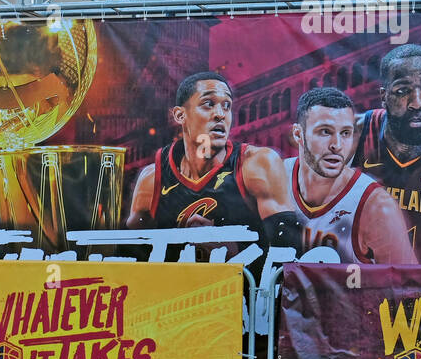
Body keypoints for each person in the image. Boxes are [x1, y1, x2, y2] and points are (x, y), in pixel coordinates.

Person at [127, 71, 301, 274]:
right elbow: (132, 257)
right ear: (180, 115)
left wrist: (235, 252)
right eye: (208, 104)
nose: (220, 114)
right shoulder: (152, 178)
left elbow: (288, 254)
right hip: (176, 299)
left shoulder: (258, 163)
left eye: (226, 105)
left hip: (241, 300)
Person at [352, 44, 421, 265]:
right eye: (403, 91)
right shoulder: (357, 132)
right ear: (383, 96)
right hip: (369, 287)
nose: (417, 103)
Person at [285, 87, 416, 264]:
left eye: (345, 133)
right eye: (325, 131)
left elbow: (405, 287)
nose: (337, 145)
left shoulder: (377, 206)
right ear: (298, 134)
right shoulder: (271, 178)